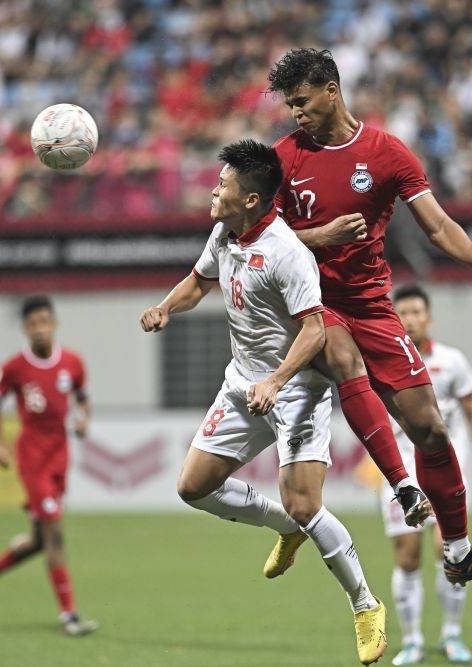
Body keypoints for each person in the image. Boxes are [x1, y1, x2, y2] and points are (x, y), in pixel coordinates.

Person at [268, 48, 472, 584]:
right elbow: (257, 240)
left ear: (332, 90)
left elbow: (438, 227)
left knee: (433, 431)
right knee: (340, 355)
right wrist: (320, 237)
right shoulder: (282, 158)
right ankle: (401, 485)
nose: (295, 113)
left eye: (301, 101)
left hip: (372, 308)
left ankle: (460, 553)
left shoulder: (388, 153)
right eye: (289, 105)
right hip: (310, 308)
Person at [140, 139, 387, 665]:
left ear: (251, 198)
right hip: (242, 384)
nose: (214, 188)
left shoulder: (286, 253)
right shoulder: (224, 233)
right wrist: (165, 308)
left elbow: (315, 330)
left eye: (223, 183)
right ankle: (284, 530)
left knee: (305, 504)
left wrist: (276, 380)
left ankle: (365, 603)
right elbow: (198, 282)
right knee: (192, 486)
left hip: (293, 390)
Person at [365, 286, 472, 665]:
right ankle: (411, 641)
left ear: (429, 317)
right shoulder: (379, 361)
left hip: (444, 468)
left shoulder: (452, 361)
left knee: (449, 550)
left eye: (417, 311)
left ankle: (452, 634)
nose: (410, 318)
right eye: (402, 312)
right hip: (402, 473)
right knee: (407, 557)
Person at [0, 295, 97, 637]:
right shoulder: (15, 368)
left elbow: (83, 400)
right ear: (25, 329)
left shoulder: (72, 363)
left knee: (41, 539)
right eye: (32, 324)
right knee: (55, 535)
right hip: (33, 459)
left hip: (60, 457)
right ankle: (69, 615)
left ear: (54, 324)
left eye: (44, 321)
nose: (39, 329)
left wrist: (83, 419)